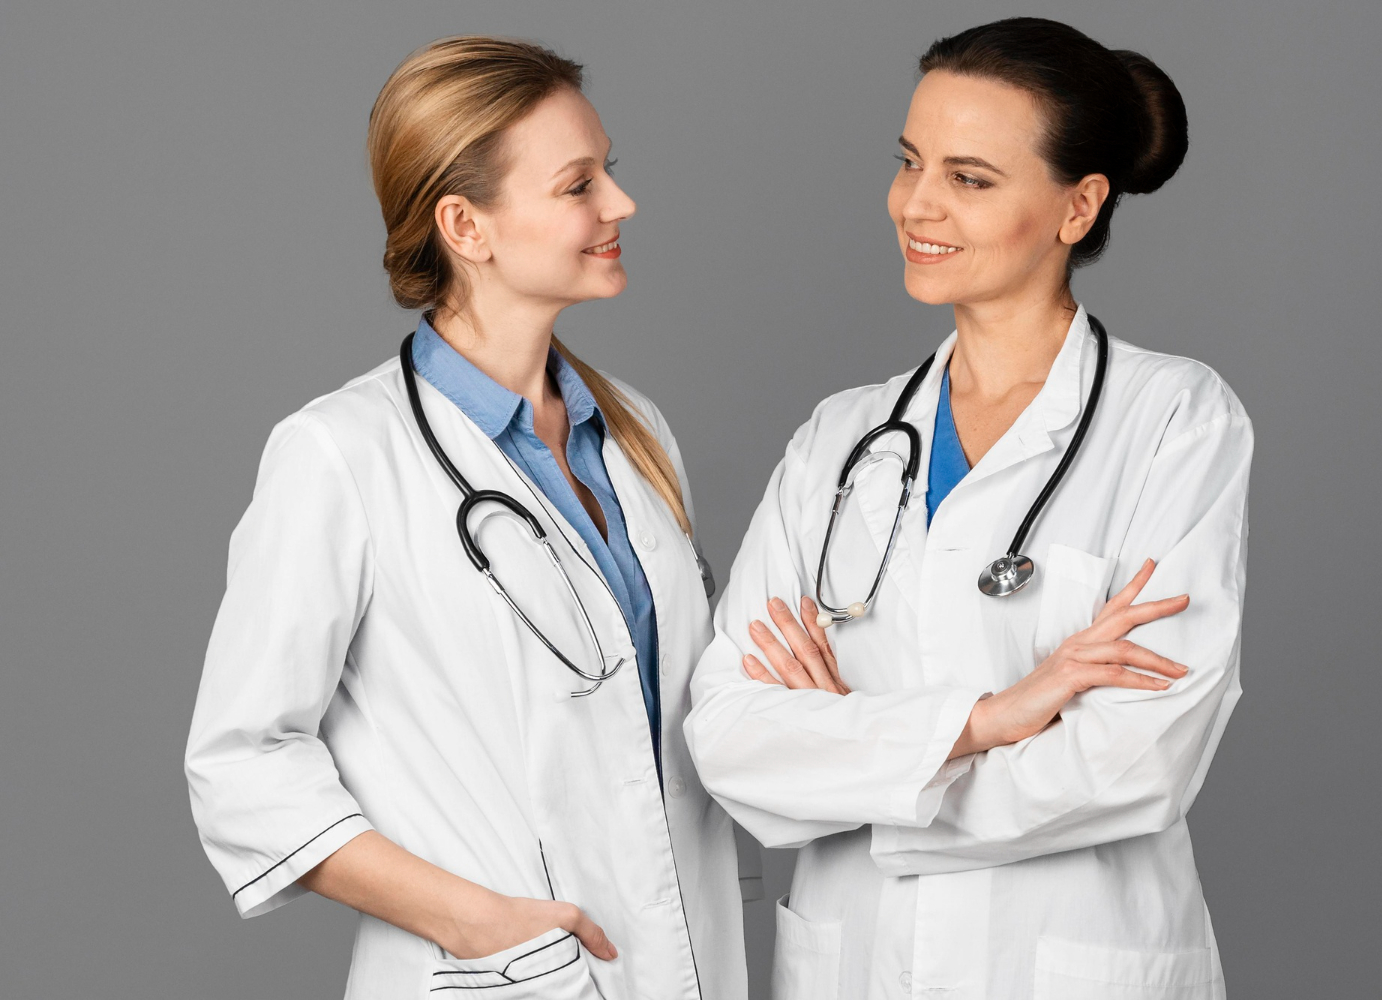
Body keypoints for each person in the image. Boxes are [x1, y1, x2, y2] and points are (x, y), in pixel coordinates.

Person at [685, 17, 1249, 1000]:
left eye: (970, 178)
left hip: (1072, 962)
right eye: (910, 162)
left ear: (1078, 207)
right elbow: (730, 737)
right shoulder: (842, 439)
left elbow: (1140, 759)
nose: (916, 204)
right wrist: (991, 720)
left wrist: (862, 764)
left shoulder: (1172, 420)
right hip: (854, 964)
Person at [185, 36, 745, 1000]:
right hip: (508, 974)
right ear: (466, 226)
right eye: (579, 185)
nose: (620, 203)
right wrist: (472, 919)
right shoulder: (342, 454)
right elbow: (241, 762)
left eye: (610, 169)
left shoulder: (635, 432)